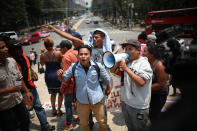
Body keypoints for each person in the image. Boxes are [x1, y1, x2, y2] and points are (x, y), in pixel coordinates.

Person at [57, 45, 110, 131]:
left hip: (97, 100)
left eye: (86, 54)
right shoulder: (74, 67)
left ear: (91, 56)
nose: (83, 56)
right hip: (82, 102)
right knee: (84, 124)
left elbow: (107, 80)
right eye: (81, 54)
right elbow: (64, 78)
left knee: (102, 122)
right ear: (78, 56)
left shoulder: (98, 66)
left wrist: (104, 89)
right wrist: (60, 76)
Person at [7, 39, 55, 130]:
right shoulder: (10, 62)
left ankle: (45, 126)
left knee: (38, 107)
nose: (19, 51)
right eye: (16, 49)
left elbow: (29, 68)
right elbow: (16, 79)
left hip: (31, 88)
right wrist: (24, 91)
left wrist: (33, 73)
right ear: (11, 52)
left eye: (20, 48)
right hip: (19, 91)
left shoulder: (25, 58)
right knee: (24, 112)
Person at [110, 39, 153, 131]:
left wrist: (126, 69)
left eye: (130, 49)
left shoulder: (144, 64)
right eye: (126, 49)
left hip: (139, 105)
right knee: (130, 127)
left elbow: (141, 82)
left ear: (138, 50)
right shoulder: (127, 62)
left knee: (140, 128)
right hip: (126, 103)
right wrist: (117, 61)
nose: (127, 52)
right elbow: (113, 71)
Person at [0, 37, 33, 131]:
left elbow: (19, 78)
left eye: (5, 46)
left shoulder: (11, 61)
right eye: (2, 47)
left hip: (19, 101)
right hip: (5, 108)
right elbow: (11, 87)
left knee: (26, 122)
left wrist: (26, 92)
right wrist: (8, 90)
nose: (6, 49)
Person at [143, 43, 169, 124]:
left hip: (159, 95)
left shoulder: (159, 65)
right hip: (151, 93)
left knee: (154, 116)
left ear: (152, 54)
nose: (142, 53)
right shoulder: (147, 62)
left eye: (145, 51)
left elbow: (161, 84)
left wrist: (144, 87)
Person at [40, 37, 64, 116]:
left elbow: (42, 64)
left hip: (48, 75)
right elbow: (63, 62)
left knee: (53, 94)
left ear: (45, 46)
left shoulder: (43, 55)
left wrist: (42, 53)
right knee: (60, 93)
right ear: (52, 44)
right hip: (58, 74)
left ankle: (53, 109)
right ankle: (59, 109)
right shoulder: (58, 53)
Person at [59, 40, 78, 130]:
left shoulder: (66, 57)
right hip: (79, 84)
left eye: (61, 48)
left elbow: (66, 76)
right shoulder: (77, 53)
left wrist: (62, 87)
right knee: (79, 102)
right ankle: (80, 118)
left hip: (70, 86)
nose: (60, 50)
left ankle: (69, 124)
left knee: (68, 105)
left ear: (65, 48)